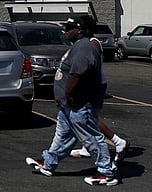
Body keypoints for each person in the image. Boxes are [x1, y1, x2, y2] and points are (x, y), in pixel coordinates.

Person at [26, 15, 118, 186]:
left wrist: (69, 96)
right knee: (62, 137)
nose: (65, 31)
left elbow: (76, 75)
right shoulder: (78, 46)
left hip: (79, 103)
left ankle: (107, 173)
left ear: (80, 30)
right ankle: (49, 163)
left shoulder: (84, 48)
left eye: (69, 28)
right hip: (69, 105)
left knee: (92, 137)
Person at [70, 17, 130, 163]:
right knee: (87, 117)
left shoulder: (93, 43)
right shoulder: (85, 43)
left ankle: (118, 142)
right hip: (91, 85)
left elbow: (90, 65)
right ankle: (87, 147)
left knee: (90, 117)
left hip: (94, 85)